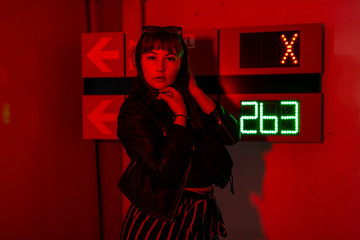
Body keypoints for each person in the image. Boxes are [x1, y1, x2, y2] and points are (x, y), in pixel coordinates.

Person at [117, 26, 240, 240]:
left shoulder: (188, 98)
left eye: (170, 58)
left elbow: (232, 136)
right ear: (139, 62)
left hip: (201, 213)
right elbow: (163, 171)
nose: (160, 67)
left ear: (181, 64)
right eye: (152, 57)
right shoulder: (135, 109)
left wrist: (195, 91)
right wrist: (181, 117)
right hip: (160, 218)